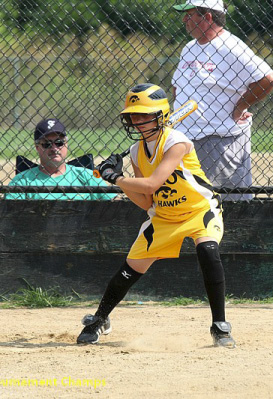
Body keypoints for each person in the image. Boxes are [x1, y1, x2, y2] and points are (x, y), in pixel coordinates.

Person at [76, 83, 235, 348]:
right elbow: (145, 199)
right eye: (133, 116)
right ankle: (100, 319)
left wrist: (116, 176)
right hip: (164, 216)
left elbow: (151, 183)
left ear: (160, 115)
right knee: (129, 270)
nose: (137, 121)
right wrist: (118, 182)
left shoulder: (177, 142)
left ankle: (220, 325)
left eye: (143, 115)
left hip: (200, 209)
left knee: (207, 250)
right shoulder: (138, 152)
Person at [171, 0, 273, 201]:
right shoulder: (189, 47)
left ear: (208, 17)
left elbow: (268, 78)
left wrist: (240, 106)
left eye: (190, 14)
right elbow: (177, 86)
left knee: (226, 203)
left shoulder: (231, 46)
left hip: (218, 140)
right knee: (191, 202)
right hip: (185, 138)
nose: (184, 19)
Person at [5, 118, 114, 200]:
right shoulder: (22, 181)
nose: (54, 148)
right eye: (47, 144)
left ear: (66, 144)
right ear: (37, 147)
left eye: (59, 143)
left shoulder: (87, 176)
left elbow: (114, 203)